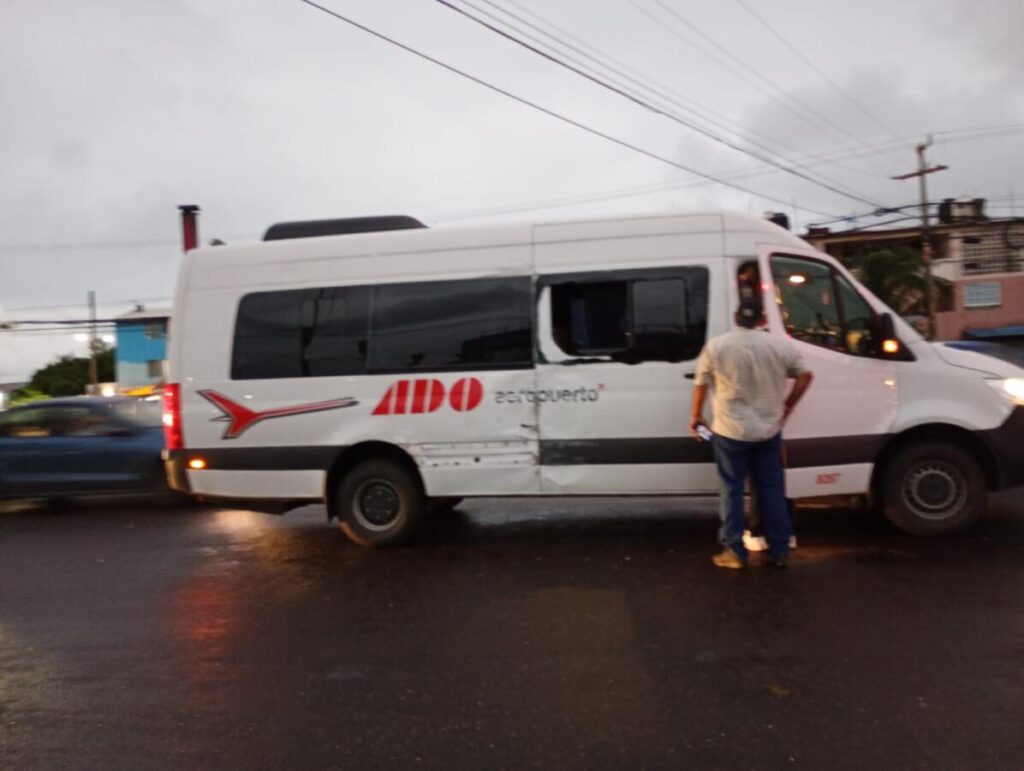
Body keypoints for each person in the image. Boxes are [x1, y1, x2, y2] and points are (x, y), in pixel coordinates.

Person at [690, 297, 814, 569]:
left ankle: (735, 553)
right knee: (771, 490)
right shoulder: (779, 346)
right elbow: (805, 375)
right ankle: (780, 551)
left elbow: (700, 383)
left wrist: (696, 417)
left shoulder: (717, 346)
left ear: (736, 318)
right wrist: (788, 404)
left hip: (729, 432)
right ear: (761, 320)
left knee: (732, 491)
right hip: (769, 431)